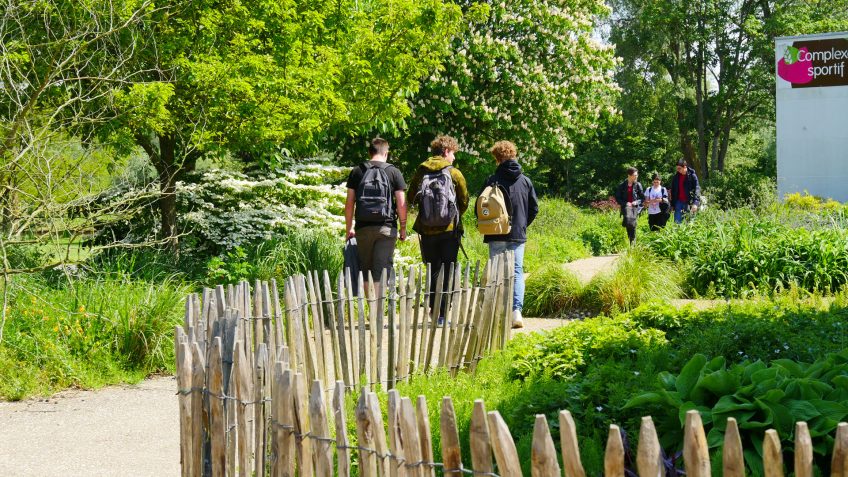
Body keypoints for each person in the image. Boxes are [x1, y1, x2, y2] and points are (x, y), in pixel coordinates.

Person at [408, 135, 469, 322]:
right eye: (453, 153)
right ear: (446, 151)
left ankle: (433, 312)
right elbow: (464, 200)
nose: (454, 158)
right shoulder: (454, 173)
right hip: (449, 230)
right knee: (448, 270)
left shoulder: (421, 171)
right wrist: (453, 215)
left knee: (433, 270)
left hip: (427, 231)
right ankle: (443, 314)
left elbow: (411, 197)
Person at [480, 140, 538, 329]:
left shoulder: (491, 180)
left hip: (496, 233)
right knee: (517, 272)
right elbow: (534, 208)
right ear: (514, 155)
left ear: (496, 158)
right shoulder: (525, 181)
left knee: (496, 273)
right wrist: (521, 225)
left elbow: (480, 208)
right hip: (517, 234)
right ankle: (516, 312)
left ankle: (498, 313)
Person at [344, 137, 407, 292]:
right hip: (386, 228)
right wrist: (403, 228)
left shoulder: (357, 171)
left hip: (363, 228)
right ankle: (377, 312)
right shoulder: (394, 172)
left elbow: (349, 203)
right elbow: (401, 203)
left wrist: (349, 228)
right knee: (381, 271)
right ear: (386, 153)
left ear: (369, 152)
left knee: (366, 271)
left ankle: (370, 311)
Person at [614, 167, 644, 244]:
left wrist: (636, 202)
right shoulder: (622, 185)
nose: (636, 176)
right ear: (629, 175)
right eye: (635, 175)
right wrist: (625, 203)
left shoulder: (638, 185)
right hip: (626, 208)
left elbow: (642, 198)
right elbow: (618, 198)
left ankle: (633, 243)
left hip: (634, 208)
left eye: (637, 175)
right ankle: (631, 242)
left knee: (633, 225)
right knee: (628, 224)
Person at [669, 159, 701, 224]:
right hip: (678, 203)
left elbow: (697, 189)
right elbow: (673, 191)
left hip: (689, 203)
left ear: (685, 167)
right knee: (677, 224)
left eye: (679, 168)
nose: (677, 170)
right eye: (677, 169)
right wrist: (672, 205)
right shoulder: (676, 177)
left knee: (689, 224)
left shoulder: (692, 176)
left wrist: (695, 203)